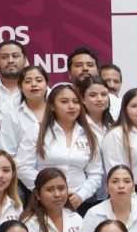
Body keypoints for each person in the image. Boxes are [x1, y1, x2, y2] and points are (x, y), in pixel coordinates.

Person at [18, 84, 102, 215]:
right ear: (52, 106)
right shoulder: (37, 130)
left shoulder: (88, 134)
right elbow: (23, 166)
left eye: (75, 102)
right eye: (64, 101)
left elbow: (95, 173)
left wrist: (81, 195)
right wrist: (46, 191)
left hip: (78, 202)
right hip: (42, 202)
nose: (71, 106)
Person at [3, 64, 50, 157]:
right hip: (22, 165)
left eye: (39, 80)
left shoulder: (57, 112)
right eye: (28, 81)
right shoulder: (12, 116)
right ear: (20, 87)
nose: (34, 84)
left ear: (47, 85)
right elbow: (8, 153)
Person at [0, 40, 28, 108]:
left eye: (15, 56)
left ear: (25, 60)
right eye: (4, 57)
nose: (10, 61)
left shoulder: (36, 88)